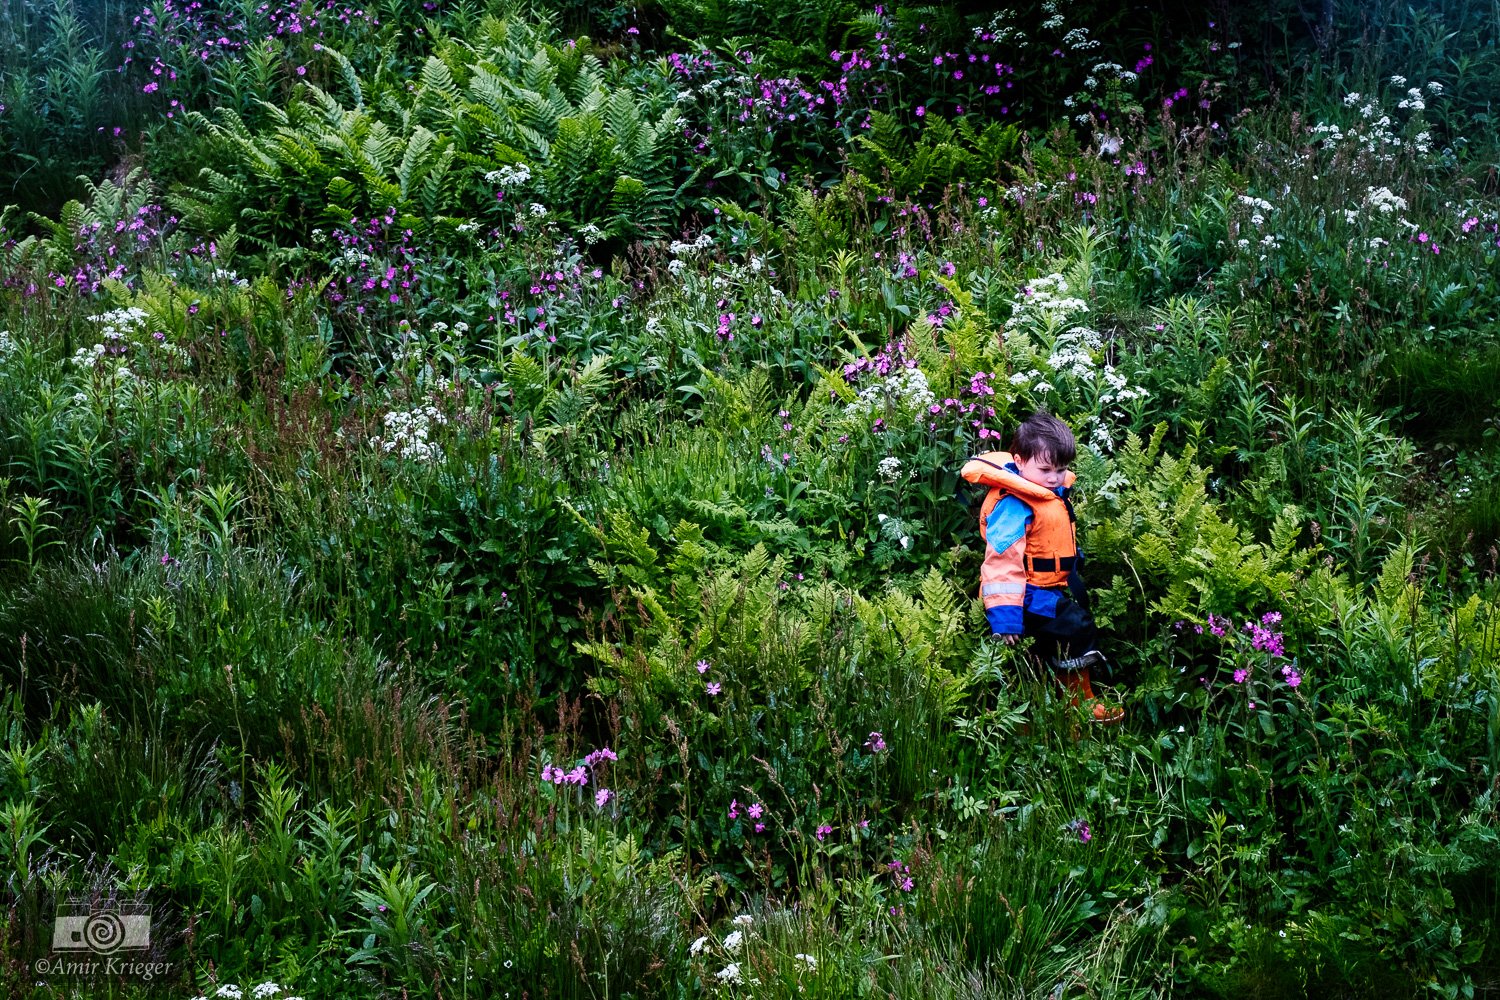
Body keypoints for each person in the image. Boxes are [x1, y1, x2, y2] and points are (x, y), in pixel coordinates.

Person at [960, 410, 1123, 723]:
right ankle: (1082, 705)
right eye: (1046, 469)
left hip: (1046, 586)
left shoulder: (1047, 493)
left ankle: (1057, 700)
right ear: (1020, 462)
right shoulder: (1014, 503)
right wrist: (1005, 616)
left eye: (1061, 470)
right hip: (1026, 595)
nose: (1054, 478)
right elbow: (1000, 561)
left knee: (1058, 637)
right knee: (1076, 626)